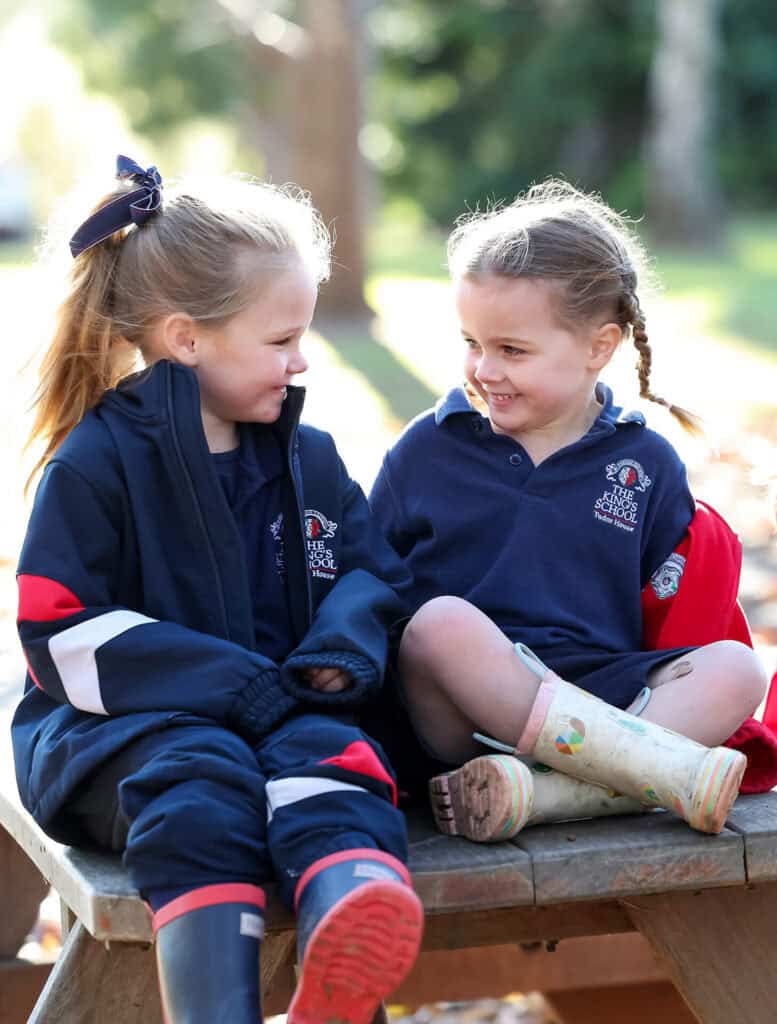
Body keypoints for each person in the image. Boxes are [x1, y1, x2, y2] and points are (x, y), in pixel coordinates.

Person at [13, 155, 423, 1024]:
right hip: (120, 733)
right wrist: (233, 685)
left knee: (339, 767)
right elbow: (58, 628)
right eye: (280, 342)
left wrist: (335, 661)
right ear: (186, 338)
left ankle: (345, 942)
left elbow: (368, 571)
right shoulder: (98, 466)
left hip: (290, 708)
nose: (301, 361)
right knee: (200, 791)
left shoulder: (307, 459)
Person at [367, 179, 768, 843]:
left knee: (738, 667)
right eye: (472, 342)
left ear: (596, 347)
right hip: (460, 715)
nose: (483, 369)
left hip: (597, 686)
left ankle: (556, 792)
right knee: (439, 624)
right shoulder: (428, 448)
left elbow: (668, 608)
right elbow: (368, 578)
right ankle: (633, 776)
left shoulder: (643, 463)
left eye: (511, 351)